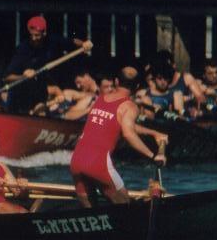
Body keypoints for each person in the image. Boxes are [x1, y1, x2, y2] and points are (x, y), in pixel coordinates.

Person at [69, 67, 168, 208]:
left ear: (116, 81)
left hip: (76, 160)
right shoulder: (129, 106)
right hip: (99, 163)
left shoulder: (100, 99)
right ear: (138, 86)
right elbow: (128, 133)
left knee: (91, 215)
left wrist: (153, 133)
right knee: (125, 209)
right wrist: (153, 156)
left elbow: (122, 125)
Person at [2, 15, 91, 115]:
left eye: (37, 35)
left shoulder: (52, 41)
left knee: (41, 111)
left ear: (44, 33)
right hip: (19, 94)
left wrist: (83, 44)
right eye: (31, 35)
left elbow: (72, 42)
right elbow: (7, 78)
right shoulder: (23, 49)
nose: (34, 38)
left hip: (39, 89)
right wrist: (24, 76)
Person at [33, 65, 99, 120]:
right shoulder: (75, 93)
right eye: (76, 84)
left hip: (72, 117)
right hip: (63, 113)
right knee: (67, 93)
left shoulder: (96, 94)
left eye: (79, 82)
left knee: (88, 98)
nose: (78, 86)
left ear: (86, 76)